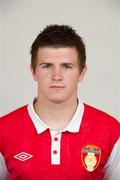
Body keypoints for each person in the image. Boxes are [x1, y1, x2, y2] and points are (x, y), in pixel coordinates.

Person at [0, 24, 120, 180]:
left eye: (67, 66)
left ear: (82, 73)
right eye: (47, 66)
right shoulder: (3, 130)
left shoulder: (110, 131)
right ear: (33, 71)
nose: (56, 76)